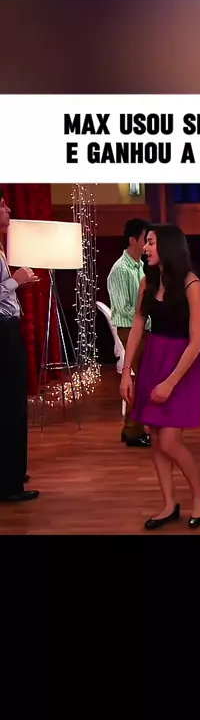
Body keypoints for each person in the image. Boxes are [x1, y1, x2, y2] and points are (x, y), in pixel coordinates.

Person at [120, 224, 200, 530]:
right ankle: (168, 504)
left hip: (181, 367)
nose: (145, 248)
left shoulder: (191, 284)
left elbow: (197, 342)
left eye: (151, 242)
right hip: (153, 361)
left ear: (168, 246)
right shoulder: (147, 282)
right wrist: (126, 372)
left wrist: (171, 382)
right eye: (146, 242)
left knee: (170, 441)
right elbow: (137, 325)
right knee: (157, 440)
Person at [0, 189, 40, 503]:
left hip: (8, 330)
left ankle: (13, 472)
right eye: (2, 205)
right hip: (2, 333)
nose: (8, 209)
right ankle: (9, 483)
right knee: (9, 406)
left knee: (14, 403)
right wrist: (15, 280)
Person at [107, 218, 151, 447]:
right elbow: (124, 307)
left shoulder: (141, 265)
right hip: (129, 328)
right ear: (133, 240)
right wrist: (149, 316)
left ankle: (133, 427)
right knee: (142, 378)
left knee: (146, 377)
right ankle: (133, 430)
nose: (147, 244)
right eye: (145, 239)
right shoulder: (120, 269)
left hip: (142, 326)